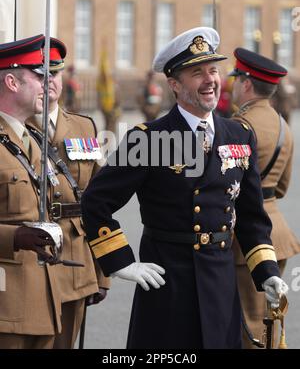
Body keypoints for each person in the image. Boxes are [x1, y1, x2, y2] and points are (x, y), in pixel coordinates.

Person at [81, 27, 288, 349]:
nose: (210, 80)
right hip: (170, 283)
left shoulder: (238, 134)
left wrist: (267, 271)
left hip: (220, 282)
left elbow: (251, 217)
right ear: (175, 85)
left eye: (214, 71)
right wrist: (120, 261)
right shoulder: (149, 138)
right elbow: (95, 201)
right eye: (197, 73)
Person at [26, 37, 110, 349]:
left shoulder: (84, 128)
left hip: (76, 261)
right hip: (29, 262)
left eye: (55, 74)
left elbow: (101, 204)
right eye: (39, 74)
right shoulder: (10, 127)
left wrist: (102, 273)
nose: (48, 81)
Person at [229, 47, 300, 348]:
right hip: (278, 232)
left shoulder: (239, 126)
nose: (229, 85)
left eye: (234, 79)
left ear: (246, 84)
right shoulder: (284, 125)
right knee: (271, 319)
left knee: (250, 325)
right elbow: (281, 187)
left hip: (246, 238)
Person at [0, 35, 62, 348]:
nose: (47, 85)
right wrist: (15, 237)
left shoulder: (34, 140)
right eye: (39, 77)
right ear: (11, 81)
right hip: (6, 304)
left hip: (44, 300)